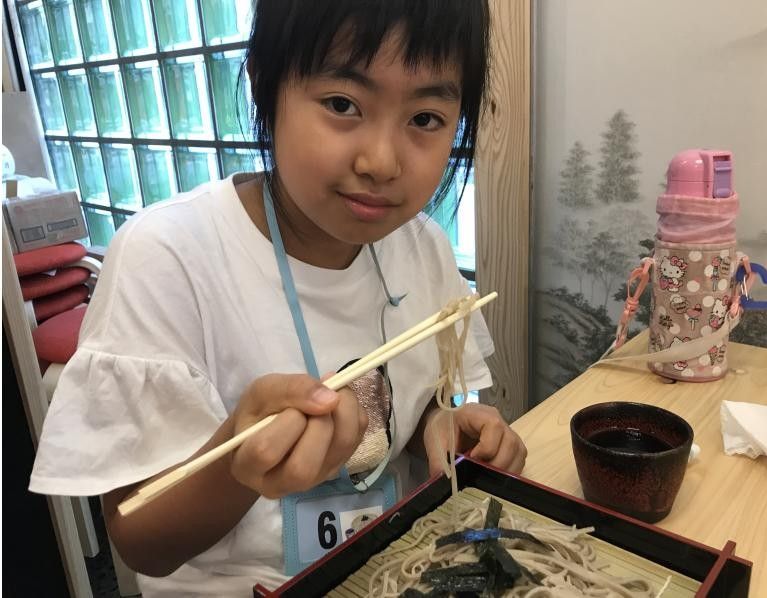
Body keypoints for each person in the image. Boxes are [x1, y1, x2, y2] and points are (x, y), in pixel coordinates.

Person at [29, 0, 527, 595]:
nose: (382, 162)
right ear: (267, 85)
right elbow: (140, 541)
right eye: (342, 105)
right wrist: (237, 462)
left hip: (393, 572)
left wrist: (441, 429)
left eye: (425, 118)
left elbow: (418, 399)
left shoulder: (423, 247)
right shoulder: (168, 256)